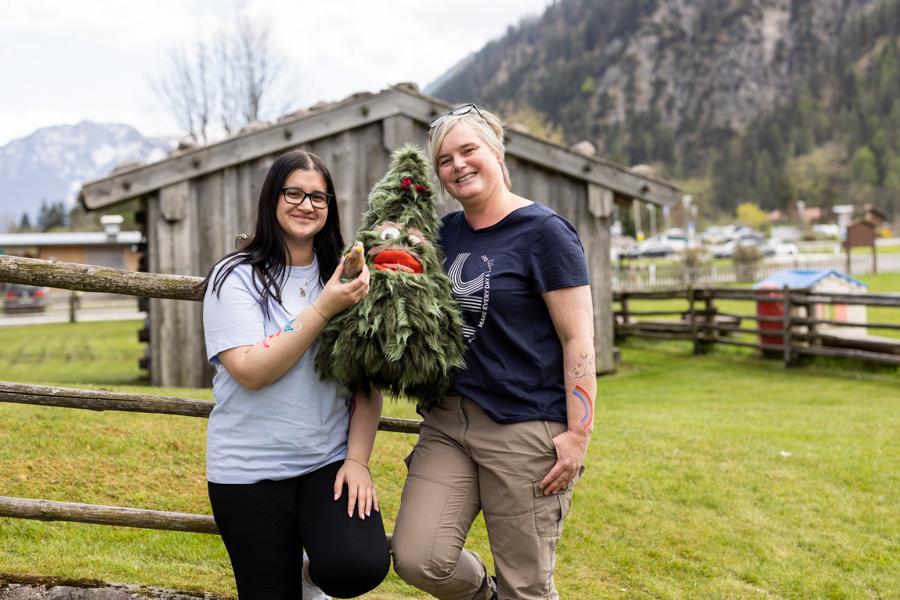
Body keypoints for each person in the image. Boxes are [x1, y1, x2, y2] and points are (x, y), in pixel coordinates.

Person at [391, 105, 596, 600]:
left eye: (468, 150)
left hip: (526, 427)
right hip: (449, 422)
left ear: (497, 153)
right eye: (444, 159)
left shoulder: (545, 233)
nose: (457, 165)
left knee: (526, 585)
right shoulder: (444, 234)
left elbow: (578, 340)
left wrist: (578, 435)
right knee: (419, 557)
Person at [201, 149, 390, 600]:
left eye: (319, 198)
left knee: (358, 567)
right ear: (272, 198)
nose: (307, 205)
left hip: (324, 461)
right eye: (294, 193)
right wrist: (323, 307)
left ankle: (311, 576)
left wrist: (358, 461)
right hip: (248, 471)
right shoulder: (236, 277)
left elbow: (366, 383)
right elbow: (250, 371)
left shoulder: (347, 277)